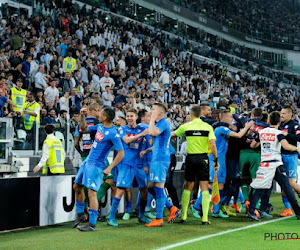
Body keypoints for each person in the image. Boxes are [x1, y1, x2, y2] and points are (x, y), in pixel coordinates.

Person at [73, 107, 124, 232]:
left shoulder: (113, 133)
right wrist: (82, 116)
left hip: (96, 165)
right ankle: (81, 214)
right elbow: (84, 129)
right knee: (77, 186)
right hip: (87, 162)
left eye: (100, 114)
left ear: (105, 117)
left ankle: (92, 224)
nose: (98, 115)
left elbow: (121, 153)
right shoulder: (100, 127)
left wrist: (109, 167)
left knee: (92, 193)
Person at [248, 111, 300, 221]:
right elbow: (286, 146)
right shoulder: (278, 133)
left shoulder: (262, 132)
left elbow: (253, 145)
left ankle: (252, 212)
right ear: (279, 121)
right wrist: (296, 148)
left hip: (265, 163)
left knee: (259, 188)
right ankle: (298, 212)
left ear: (268, 121)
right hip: (276, 163)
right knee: (287, 188)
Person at [171, 104, 218, 225]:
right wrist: (216, 160)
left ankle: (184, 216)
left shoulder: (186, 126)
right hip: (203, 158)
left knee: (188, 186)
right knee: (204, 186)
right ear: (200, 114)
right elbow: (213, 145)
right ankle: (205, 219)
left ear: (191, 114)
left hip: (191, 158)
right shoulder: (207, 127)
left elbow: (172, 134)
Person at [108, 108, 151, 226]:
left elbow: (151, 142)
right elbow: (127, 140)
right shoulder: (122, 129)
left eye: (131, 116)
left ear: (136, 117)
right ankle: (111, 218)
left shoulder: (142, 128)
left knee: (144, 191)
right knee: (121, 190)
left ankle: (141, 216)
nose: (129, 118)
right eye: (127, 116)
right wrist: (142, 134)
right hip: (126, 164)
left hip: (139, 165)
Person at [208, 110, 254, 218]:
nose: (231, 119)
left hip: (222, 160)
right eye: (229, 117)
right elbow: (238, 135)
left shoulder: (224, 128)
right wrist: (247, 126)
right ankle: (199, 205)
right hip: (216, 159)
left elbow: (237, 131)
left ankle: (216, 209)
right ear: (223, 118)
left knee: (221, 185)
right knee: (213, 185)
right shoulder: (221, 128)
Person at [145, 103, 180, 227]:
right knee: (150, 187)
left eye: (153, 109)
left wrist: (152, 119)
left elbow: (152, 132)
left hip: (161, 159)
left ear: (159, 113)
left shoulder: (163, 123)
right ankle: (172, 208)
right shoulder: (160, 124)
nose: (151, 111)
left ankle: (159, 218)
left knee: (159, 187)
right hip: (156, 159)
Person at [278, 105, 300, 217]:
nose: (281, 116)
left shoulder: (295, 125)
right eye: (281, 114)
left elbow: (299, 137)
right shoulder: (279, 125)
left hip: (291, 156)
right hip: (280, 155)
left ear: (290, 114)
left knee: (291, 183)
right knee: (283, 183)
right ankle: (287, 209)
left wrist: (288, 135)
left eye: (283, 114)